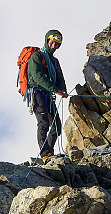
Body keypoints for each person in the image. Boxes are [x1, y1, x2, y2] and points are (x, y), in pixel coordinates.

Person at [26, 29, 68, 160]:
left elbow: (60, 77)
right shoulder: (37, 56)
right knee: (43, 123)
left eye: (57, 44)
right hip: (37, 92)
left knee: (56, 126)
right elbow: (37, 76)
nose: (54, 46)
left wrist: (63, 90)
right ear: (47, 40)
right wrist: (55, 90)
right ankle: (45, 154)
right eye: (52, 42)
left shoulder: (54, 61)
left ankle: (49, 152)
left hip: (48, 94)